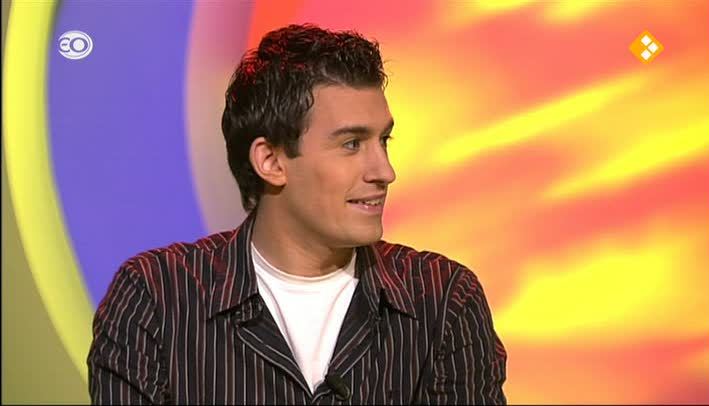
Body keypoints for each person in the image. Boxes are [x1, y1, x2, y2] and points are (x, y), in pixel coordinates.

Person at [87, 23, 507, 405]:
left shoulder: (442, 299)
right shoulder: (156, 298)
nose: (385, 172)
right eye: (351, 144)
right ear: (271, 161)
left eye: (384, 141)